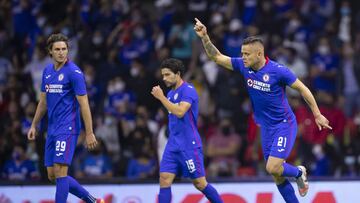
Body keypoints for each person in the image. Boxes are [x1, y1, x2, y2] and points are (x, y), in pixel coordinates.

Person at [194, 18, 332, 203]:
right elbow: (217, 57)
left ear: (259, 54)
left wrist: (317, 114)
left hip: (283, 124)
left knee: (273, 167)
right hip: (266, 127)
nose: (243, 57)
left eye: (247, 54)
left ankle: (299, 172)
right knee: (277, 175)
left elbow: (302, 89)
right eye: (242, 53)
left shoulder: (278, 71)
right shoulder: (244, 66)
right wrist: (205, 38)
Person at [27, 33, 103, 203]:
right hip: (52, 129)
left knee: (61, 172)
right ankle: (93, 200)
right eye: (57, 49)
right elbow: (43, 102)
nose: (61, 52)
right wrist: (34, 125)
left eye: (64, 49)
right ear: (50, 52)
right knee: (52, 175)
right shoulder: (47, 71)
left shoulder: (74, 73)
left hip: (68, 128)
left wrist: (89, 132)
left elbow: (84, 104)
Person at [151, 58, 223, 203]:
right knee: (164, 179)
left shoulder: (188, 90)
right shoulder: (171, 94)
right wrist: (165, 98)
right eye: (163, 75)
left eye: (167, 75)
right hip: (172, 144)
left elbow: (180, 112)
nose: (164, 78)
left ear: (177, 74)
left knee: (200, 183)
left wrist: (161, 98)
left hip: (189, 145)